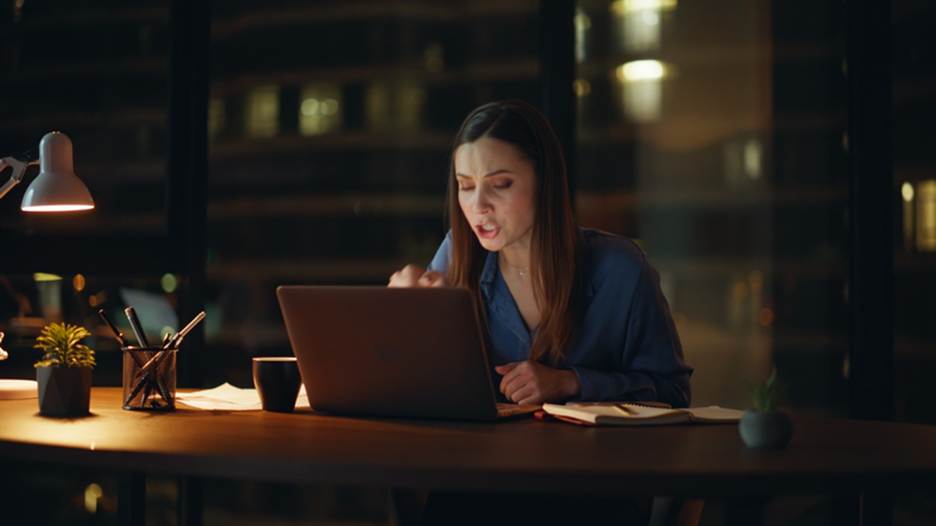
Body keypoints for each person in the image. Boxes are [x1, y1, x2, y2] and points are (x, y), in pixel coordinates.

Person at [389, 99, 692, 408]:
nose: (478, 205)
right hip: (479, 455)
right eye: (466, 186)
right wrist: (402, 323)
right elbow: (418, 387)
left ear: (544, 182)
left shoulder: (619, 268)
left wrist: (569, 382)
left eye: (501, 184)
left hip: (588, 456)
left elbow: (674, 392)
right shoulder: (457, 254)